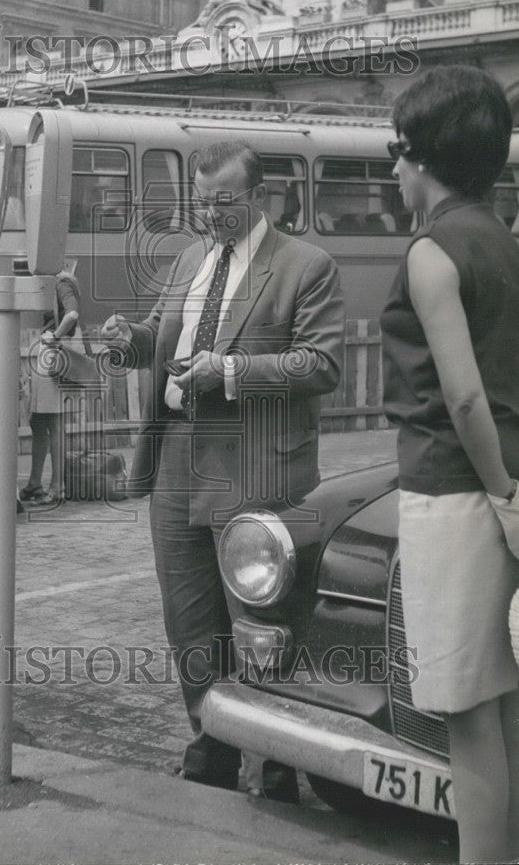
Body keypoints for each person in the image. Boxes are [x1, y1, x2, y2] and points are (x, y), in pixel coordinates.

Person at [101, 140, 344, 796]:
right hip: (177, 457)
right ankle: (209, 745)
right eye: (201, 203)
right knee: (188, 622)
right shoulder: (189, 258)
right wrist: (130, 342)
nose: (208, 216)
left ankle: (275, 764)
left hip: (253, 465)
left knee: (258, 625)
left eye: (222, 203)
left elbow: (320, 364)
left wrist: (228, 370)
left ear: (257, 197)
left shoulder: (305, 265)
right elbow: (161, 335)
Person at [380, 65, 519, 864]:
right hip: (503, 481)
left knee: (465, 714)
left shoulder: (431, 251)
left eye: (397, 149)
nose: (392, 168)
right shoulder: (501, 238)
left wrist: (499, 493)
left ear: (426, 155)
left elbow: (462, 399)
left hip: (454, 491)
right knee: (506, 706)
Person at [20, 270, 82, 506]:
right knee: (41, 421)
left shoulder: (61, 282)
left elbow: (72, 313)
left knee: (53, 422)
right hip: (51, 350)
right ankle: (36, 482)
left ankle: (57, 487)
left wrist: (54, 336)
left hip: (53, 351)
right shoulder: (60, 281)